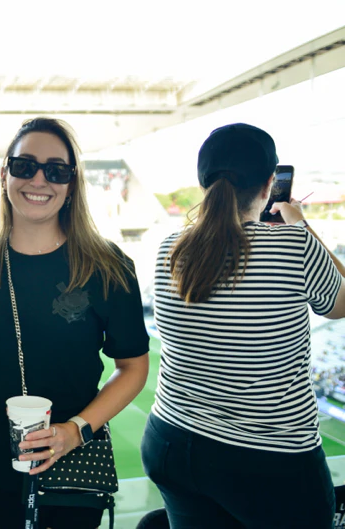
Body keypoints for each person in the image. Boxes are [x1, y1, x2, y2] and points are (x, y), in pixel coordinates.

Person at [0, 117, 150, 529]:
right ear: (4, 174)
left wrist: (76, 431)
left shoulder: (108, 266)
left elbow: (133, 367)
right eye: (24, 166)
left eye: (57, 170)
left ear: (72, 184)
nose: (39, 180)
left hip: (72, 471)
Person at [141, 123, 345, 529]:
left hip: (171, 441)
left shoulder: (169, 247)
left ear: (204, 183)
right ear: (270, 184)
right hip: (271, 461)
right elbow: (340, 304)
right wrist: (301, 226)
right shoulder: (294, 244)